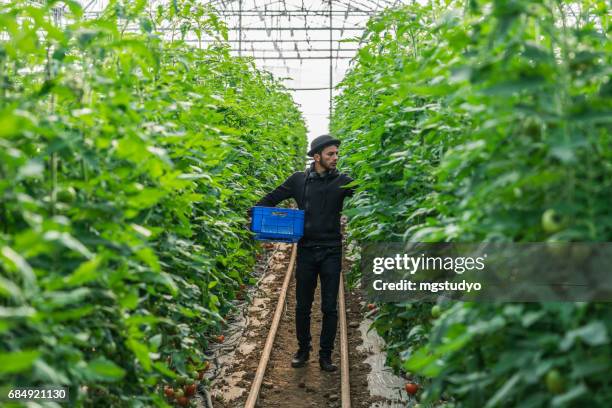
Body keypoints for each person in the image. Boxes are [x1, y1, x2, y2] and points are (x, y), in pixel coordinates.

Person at [249, 134, 356, 372]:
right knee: (302, 305)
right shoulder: (299, 180)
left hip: (331, 250)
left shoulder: (343, 182)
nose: (335, 158)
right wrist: (254, 212)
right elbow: (272, 198)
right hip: (306, 250)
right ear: (317, 156)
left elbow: (368, 195)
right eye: (330, 154)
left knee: (329, 306)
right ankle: (303, 350)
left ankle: (326, 356)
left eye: (337, 153)